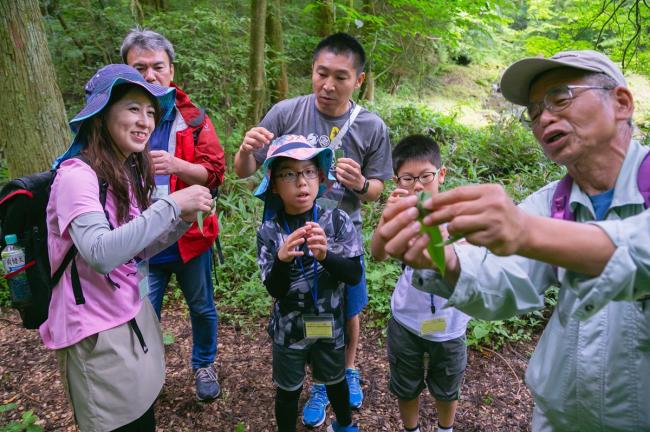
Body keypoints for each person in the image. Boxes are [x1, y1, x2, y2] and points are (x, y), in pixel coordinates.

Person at [374, 50, 650, 431]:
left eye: (560, 98)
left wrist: (525, 232)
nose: (544, 118)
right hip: (559, 419)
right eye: (534, 112)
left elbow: (641, 252)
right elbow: (503, 281)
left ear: (621, 102)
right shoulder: (550, 202)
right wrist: (445, 260)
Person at [39, 64, 214, 431]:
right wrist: (170, 204)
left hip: (128, 317)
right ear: (102, 115)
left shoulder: (122, 172)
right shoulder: (76, 176)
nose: (146, 121)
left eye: (151, 112)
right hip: (93, 335)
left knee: (142, 420)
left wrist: (180, 219)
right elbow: (101, 254)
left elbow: (135, 250)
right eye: (134, 108)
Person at [235, 32, 392, 424]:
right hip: (288, 228)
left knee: (348, 306)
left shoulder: (371, 126)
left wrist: (358, 184)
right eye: (321, 73)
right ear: (312, 72)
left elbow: (377, 190)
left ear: (358, 79)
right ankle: (322, 382)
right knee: (303, 302)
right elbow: (247, 171)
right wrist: (243, 150)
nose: (328, 84)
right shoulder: (286, 112)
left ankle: (340, 374)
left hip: (341, 231)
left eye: (341, 76)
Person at [120, 29, 226, 401]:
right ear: (126, 69)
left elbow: (215, 173)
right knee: (142, 313)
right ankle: (147, 373)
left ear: (171, 69)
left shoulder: (192, 117)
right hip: (137, 239)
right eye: (139, 67)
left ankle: (204, 365)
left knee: (202, 307)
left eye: (157, 67)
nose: (149, 76)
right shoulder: (112, 118)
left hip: (188, 237)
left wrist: (178, 164)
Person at [255, 135, 363, 432]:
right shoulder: (270, 231)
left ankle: (344, 425)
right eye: (289, 174)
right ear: (274, 184)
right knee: (288, 390)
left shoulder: (336, 221)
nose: (301, 182)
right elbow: (274, 290)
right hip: (288, 332)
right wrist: (281, 260)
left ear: (319, 178)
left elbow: (353, 275)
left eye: (308, 172)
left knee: (335, 380)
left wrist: (326, 255)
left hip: (330, 325)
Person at [371, 135, 470, 432]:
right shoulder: (401, 215)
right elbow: (377, 254)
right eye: (408, 178)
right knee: (406, 385)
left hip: (450, 322)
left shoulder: (457, 214)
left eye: (425, 176)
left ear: (441, 174)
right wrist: (387, 217)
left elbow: (469, 264)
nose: (417, 185)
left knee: (447, 385)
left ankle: (445, 428)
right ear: (396, 180)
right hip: (407, 320)